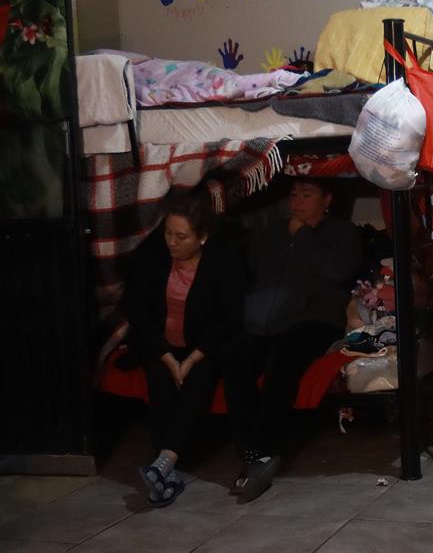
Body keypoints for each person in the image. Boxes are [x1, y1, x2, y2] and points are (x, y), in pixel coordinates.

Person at [223, 178, 363, 503]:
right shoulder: (273, 232)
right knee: (236, 359)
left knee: (283, 360)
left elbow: (339, 271)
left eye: (307, 194)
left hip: (316, 320)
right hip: (270, 319)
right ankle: (250, 450)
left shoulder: (342, 232)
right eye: (294, 194)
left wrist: (303, 235)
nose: (298, 201)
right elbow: (257, 273)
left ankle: (265, 449)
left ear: (326, 199)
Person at [124, 195, 243, 507]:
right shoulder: (155, 257)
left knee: (198, 379)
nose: (172, 242)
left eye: (181, 236)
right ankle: (164, 471)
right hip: (161, 346)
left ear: (201, 237)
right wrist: (167, 357)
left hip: (202, 347)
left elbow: (228, 318)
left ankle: (164, 463)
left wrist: (191, 358)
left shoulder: (221, 263)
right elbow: (139, 312)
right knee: (159, 380)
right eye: (168, 233)